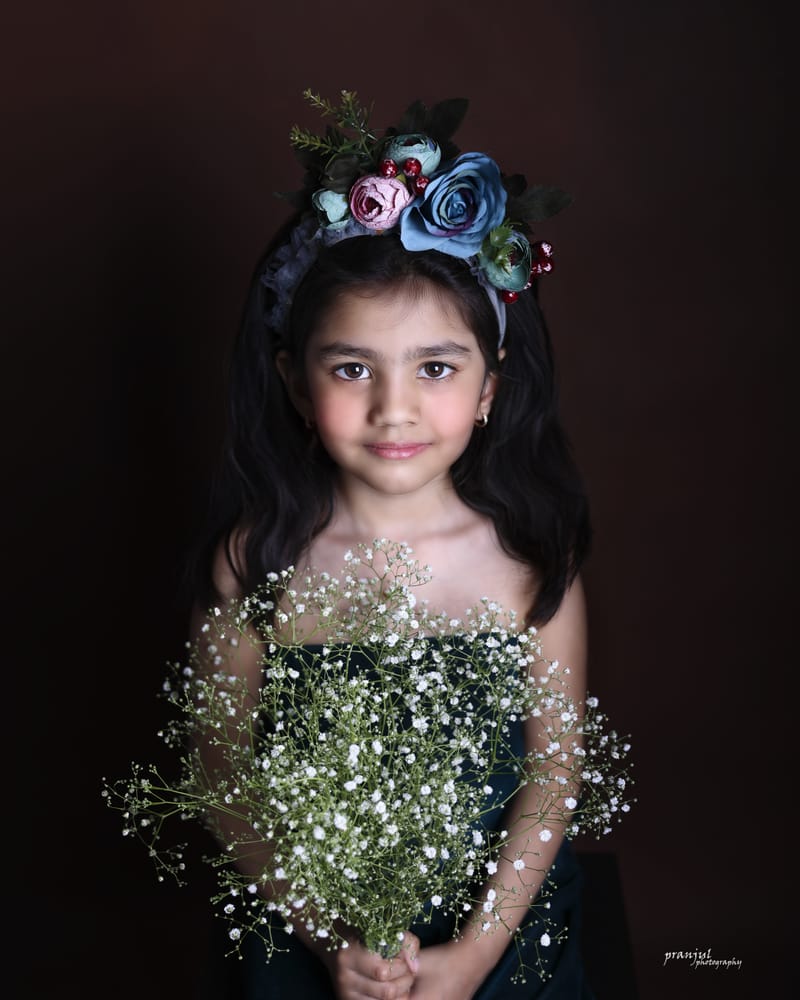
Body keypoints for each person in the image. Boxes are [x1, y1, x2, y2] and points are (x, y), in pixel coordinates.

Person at [188, 93, 594, 999]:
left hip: (499, 931)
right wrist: (326, 932)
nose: (394, 409)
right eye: (351, 368)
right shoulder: (255, 561)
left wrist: (479, 952)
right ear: (294, 382)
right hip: (311, 933)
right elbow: (216, 764)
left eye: (436, 368)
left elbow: (555, 765)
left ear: (492, 384)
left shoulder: (529, 558)